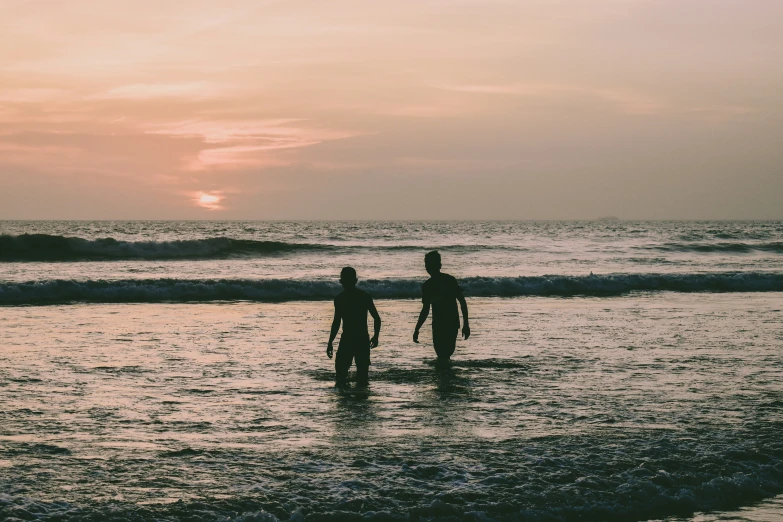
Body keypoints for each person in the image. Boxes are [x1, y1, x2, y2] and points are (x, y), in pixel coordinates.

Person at [327, 267, 381, 387]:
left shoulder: (341, 298)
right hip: (358, 338)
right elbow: (377, 318)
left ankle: (350, 400)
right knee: (358, 374)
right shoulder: (363, 296)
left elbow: (336, 323)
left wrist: (330, 342)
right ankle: (360, 400)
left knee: (344, 374)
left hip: (351, 338)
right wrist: (376, 336)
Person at [413, 251, 470, 362]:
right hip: (442, 324)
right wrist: (417, 328)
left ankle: (446, 377)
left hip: (448, 323)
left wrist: (466, 324)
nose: (427, 267)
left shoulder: (447, 281)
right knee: (443, 355)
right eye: (427, 264)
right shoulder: (429, 285)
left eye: (429, 264)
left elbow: (462, 302)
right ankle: (446, 377)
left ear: (439, 266)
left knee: (444, 355)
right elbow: (425, 310)